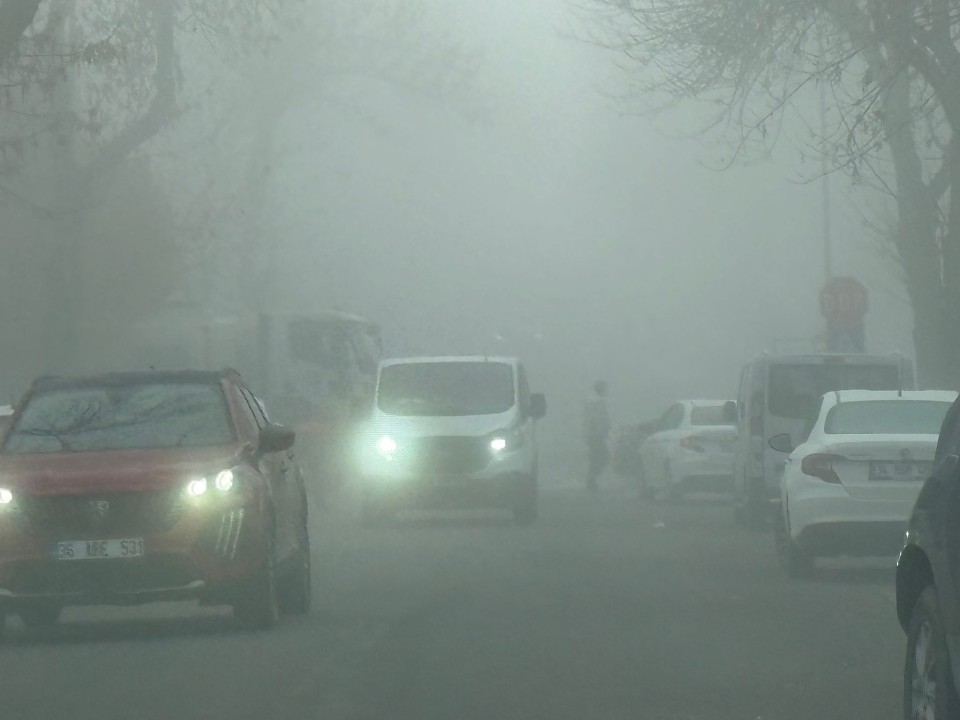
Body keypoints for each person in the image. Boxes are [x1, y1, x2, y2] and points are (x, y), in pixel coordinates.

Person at [583, 380, 611, 495]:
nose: (607, 390)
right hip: (596, 435)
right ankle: (591, 480)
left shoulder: (594, 402)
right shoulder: (598, 402)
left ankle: (591, 481)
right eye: (605, 388)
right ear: (601, 389)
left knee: (598, 457)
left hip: (595, 435)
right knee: (603, 457)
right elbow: (597, 419)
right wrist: (599, 431)